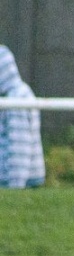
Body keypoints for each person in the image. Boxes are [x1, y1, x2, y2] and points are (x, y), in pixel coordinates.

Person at [0, 45, 45, 189]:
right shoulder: (17, 93)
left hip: (21, 180)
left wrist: (15, 186)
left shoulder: (15, 100)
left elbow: (19, 146)